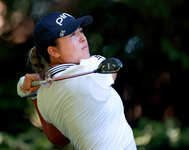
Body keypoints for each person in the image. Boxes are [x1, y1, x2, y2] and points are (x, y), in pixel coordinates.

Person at [17, 11, 137, 150]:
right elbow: (114, 70)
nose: (82, 38)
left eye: (80, 31)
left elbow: (58, 139)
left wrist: (31, 92)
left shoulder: (43, 96)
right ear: (54, 52)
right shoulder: (91, 70)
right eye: (72, 35)